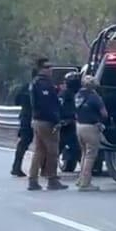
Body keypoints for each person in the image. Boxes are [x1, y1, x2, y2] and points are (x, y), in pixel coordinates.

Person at [27, 58, 67, 191]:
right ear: (40, 69)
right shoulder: (43, 84)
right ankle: (52, 179)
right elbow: (47, 105)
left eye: (51, 66)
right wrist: (56, 121)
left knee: (39, 151)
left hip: (38, 120)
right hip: (46, 121)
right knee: (52, 152)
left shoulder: (35, 82)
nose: (50, 69)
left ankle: (33, 179)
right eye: (47, 67)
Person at [74, 75, 108, 191]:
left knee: (84, 153)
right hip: (91, 127)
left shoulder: (78, 95)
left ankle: (81, 179)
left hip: (79, 126)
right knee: (90, 156)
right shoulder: (95, 97)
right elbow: (104, 113)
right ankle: (86, 183)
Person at [11, 69, 36, 177]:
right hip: (34, 117)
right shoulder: (39, 87)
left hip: (25, 116)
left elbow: (17, 101)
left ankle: (16, 166)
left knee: (23, 142)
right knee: (31, 142)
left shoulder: (25, 87)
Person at [58, 71, 81, 172]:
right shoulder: (67, 94)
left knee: (72, 146)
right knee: (68, 145)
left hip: (70, 123)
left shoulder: (68, 94)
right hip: (67, 123)